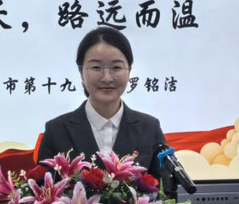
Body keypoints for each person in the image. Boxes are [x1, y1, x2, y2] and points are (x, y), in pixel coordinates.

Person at [37, 26, 166, 176]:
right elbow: (42, 187)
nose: (106, 78)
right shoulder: (57, 130)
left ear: (129, 71)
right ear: (81, 72)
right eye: (96, 67)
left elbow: (164, 187)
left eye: (116, 67)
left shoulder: (149, 128)